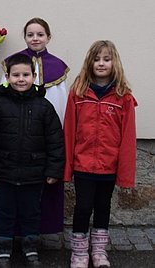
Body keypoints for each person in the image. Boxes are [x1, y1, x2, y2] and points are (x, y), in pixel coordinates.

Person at [0, 53, 65, 267]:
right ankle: (3, 248)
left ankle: (30, 247)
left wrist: (53, 170)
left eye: (26, 75)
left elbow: (55, 141)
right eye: (16, 75)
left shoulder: (44, 107)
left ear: (34, 76)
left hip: (34, 173)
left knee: (31, 213)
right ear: (7, 77)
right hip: (5, 173)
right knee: (4, 212)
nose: (21, 79)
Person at [63, 40, 137, 268]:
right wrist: (67, 168)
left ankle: (99, 252)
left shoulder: (123, 97)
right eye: (97, 59)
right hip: (83, 164)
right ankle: (79, 253)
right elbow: (69, 131)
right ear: (89, 62)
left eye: (106, 59)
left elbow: (128, 139)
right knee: (83, 207)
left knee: (104, 207)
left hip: (109, 166)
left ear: (114, 63)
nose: (101, 63)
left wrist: (125, 174)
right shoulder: (78, 93)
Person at [3, 17, 69, 236]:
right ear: (24, 37)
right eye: (30, 34)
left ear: (48, 37)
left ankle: (41, 233)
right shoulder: (14, 64)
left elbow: (61, 103)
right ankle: (15, 235)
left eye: (40, 34)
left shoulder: (58, 67)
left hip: (46, 136)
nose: (35, 38)